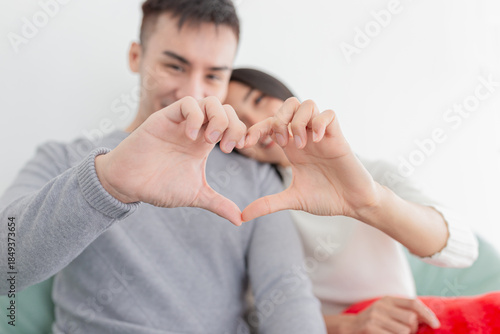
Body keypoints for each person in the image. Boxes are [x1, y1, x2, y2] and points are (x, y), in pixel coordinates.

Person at [0, 2, 326, 334]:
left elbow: (287, 296)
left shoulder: (256, 177)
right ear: (136, 57)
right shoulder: (65, 160)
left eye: (213, 75)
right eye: (174, 66)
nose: (192, 93)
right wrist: (107, 183)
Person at [224, 68, 479, 333]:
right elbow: (256, 314)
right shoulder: (258, 207)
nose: (254, 120)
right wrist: (349, 325)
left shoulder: (373, 174)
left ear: (285, 97)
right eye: (240, 123)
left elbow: (462, 249)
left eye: (257, 100)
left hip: (406, 324)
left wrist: (372, 203)